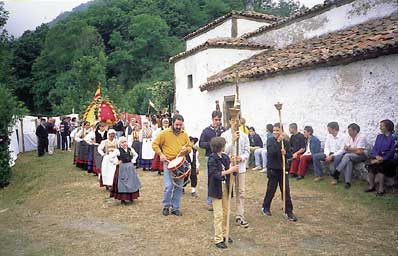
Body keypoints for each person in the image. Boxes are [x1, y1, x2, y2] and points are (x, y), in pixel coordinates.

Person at [152, 114, 192, 217]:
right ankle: (166, 206)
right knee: (168, 186)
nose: (178, 127)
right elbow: (155, 144)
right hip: (168, 163)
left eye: (180, 125)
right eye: (177, 124)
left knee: (179, 186)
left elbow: (189, 147)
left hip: (180, 163)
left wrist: (186, 150)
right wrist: (160, 154)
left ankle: (175, 207)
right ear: (172, 123)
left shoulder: (184, 134)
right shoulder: (164, 133)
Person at [261, 123, 297, 222]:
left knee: (286, 190)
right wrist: (277, 142)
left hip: (283, 169)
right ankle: (265, 207)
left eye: (278, 130)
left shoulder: (285, 142)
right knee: (271, 189)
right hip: (273, 169)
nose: (276, 132)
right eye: (274, 131)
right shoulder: (270, 141)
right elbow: (271, 153)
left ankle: (288, 211)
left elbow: (290, 155)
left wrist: (285, 153)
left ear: (282, 131)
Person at [208, 136, 239, 249]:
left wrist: (233, 167)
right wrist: (229, 170)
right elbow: (215, 174)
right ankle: (218, 239)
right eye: (224, 144)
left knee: (226, 212)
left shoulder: (225, 157)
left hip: (225, 187)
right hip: (216, 189)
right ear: (220, 146)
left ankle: (225, 234)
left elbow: (231, 171)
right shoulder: (212, 159)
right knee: (218, 214)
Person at [222, 116, 250, 228]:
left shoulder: (244, 136)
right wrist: (232, 142)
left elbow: (247, 151)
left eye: (237, 121)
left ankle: (240, 215)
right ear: (229, 121)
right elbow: (222, 151)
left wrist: (241, 158)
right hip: (228, 168)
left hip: (241, 168)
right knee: (227, 192)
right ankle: (226, 214)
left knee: (241, 192)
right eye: (232, 120)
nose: (235, 123)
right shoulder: (224, 135)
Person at [199, 110, 226, 210]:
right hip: (210, 157)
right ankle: (210, 201)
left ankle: (221, 198)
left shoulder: (223, 130)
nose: (217, 122)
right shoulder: (206, 131)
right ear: (212, 119)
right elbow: (201, 143)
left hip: (221, 157)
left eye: (219, 120)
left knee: (222, 177)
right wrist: (212, 144)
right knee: (211, 179)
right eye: (216, 120)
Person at [331, 123, 368, 189]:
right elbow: (346, 149)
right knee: (348, 161)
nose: (348, 132)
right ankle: (347, 182)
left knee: (347, 156)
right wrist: (354, 149)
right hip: (351, 155)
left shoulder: (362, 137)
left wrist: (350, 149)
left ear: (355, 130)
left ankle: (337, 171)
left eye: (350, 131)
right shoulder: (348, 137)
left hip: (362, 156)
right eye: (348, 131)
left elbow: (360, 151)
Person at [365, 120, 396, 196]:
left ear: (388, 127)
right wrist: (376, 156)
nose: (380, 127)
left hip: (389, 159)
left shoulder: (392, 138)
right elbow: (375, 148)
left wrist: (382, 158)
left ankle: (381, 189)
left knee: (381, 168)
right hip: (377, 158)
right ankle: (372, 186)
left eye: (382, 126)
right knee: (370, 166)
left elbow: (391, 151)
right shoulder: (379, 136)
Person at [111, 136, 141, 204]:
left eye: (125, 142)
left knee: (131, 181)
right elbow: (110, 157)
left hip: (130, 168)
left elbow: (136, 155)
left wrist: (133, 160)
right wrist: (116, 162)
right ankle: (123, 198)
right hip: (122, 168)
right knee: (123, 182)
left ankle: (131, 197)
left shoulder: (130, 149)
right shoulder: (118, 150)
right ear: (120, 144)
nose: (124, 143)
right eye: (122, 142)